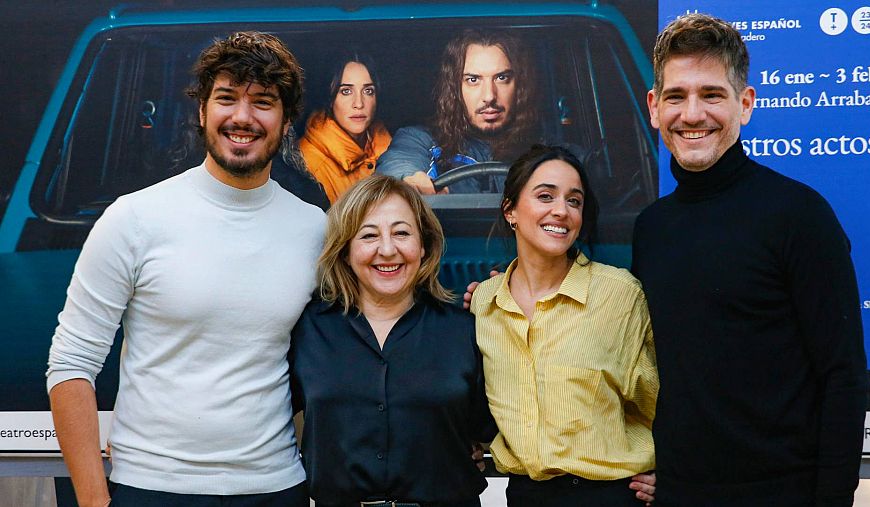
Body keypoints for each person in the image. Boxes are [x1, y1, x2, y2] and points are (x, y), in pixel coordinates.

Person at [46, 32, 325, 507]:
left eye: (262, 101)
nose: (243, 117)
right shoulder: (134, 218)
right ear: (201, 111)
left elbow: (362, 333)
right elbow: (71, 363)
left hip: (275, 487)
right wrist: (93, 500)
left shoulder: (314, 228)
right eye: (226, 98)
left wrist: (467, 305)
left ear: (285, 121)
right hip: (151, 486)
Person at [631, 14, 868, 506]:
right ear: (654, 107)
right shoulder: (651, 228)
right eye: (676, 96)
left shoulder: (799, 215)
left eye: (711, 94)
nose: (692, 114)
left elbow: (842, 375)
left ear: (745, 103)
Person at [469, 145, 658, 506]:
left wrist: (673, 472)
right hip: (525, 495)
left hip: (608, 495)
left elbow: (663, 401)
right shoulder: (485, 302)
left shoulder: (618, 293)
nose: (562, 210)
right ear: (510, 211)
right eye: (545, 196)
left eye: (574, 201)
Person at [290, 174, 494, 507]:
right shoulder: (308, 329)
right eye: (369, 235)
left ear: (423, 245)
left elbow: (496, 426)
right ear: (345, 251)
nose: (387, 250)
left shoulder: (465, 330)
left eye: (401, 233)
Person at [377, 29, 539, 194]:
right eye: (473, 80)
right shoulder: (420, 140)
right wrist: (407, 179)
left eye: (501, 78)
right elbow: (399, 161)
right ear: (454, 87)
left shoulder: (542, 147)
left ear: (519, 85)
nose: (489, 96)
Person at [300, 53, 392, 204]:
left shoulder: (390, 146)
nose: (359, 104)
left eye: (368, 91)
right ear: (330, 99)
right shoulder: (309, 163)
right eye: (346, 91)